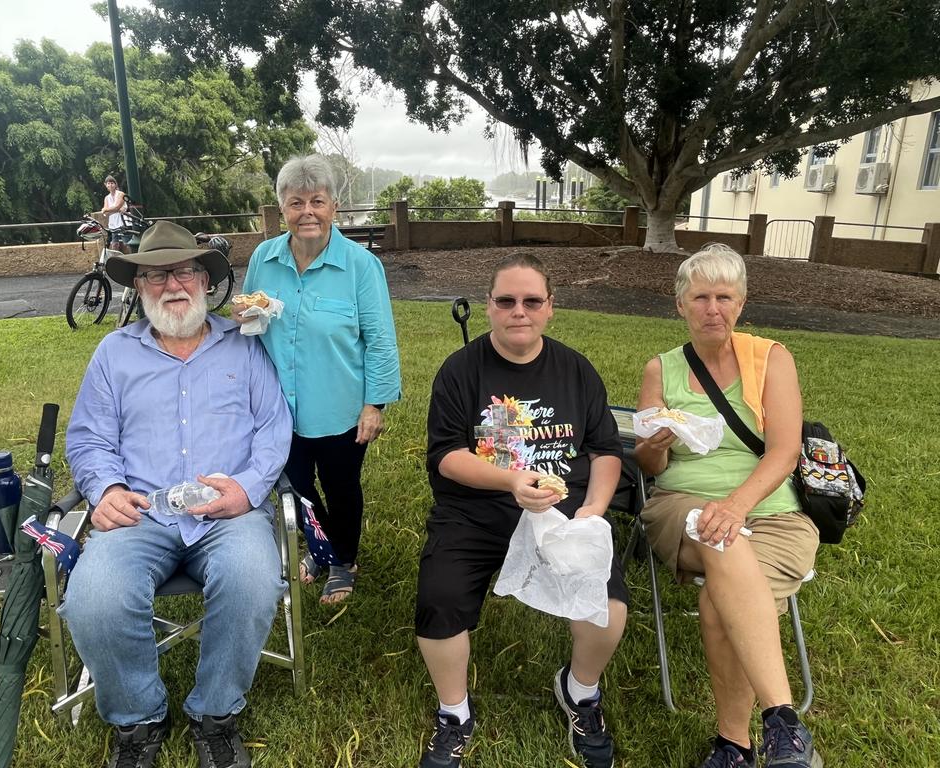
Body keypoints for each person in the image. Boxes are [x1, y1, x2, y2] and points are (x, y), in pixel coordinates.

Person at [62, 220, 293, 768]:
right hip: (142, 512)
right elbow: (89, 437)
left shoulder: (244, 346)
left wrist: (248, 489)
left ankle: (215, 716)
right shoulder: (113, 354)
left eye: (185, 271)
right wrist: (105, 488)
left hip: (229, 512)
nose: (174, 285)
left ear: (205, 281)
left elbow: (274, 426)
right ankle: (138, 720)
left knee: (252, 579)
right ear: (139, 286)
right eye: (158, 275)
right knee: (92, 596)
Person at [415, 253, 628, 768]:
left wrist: (594, 510)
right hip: (475, 510)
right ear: (488, 306)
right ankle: (454, 713)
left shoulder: (575, 369)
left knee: (609, 609)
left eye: (532, 301)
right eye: (506, 300)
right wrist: (512, 480)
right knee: (439, 600)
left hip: (566, 512)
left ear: (550, 307)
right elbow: (445, 456)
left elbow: (605, 450)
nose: (519, 311)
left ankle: (580, 692)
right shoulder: (461, 372)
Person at [633, 244, 822, 768]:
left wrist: (737, 506)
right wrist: (657, 441)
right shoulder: (662, 369)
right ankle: (785, 723)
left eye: (724, 296)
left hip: (773, 513)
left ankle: (735, 745)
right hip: (682, 506)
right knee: (717, 534)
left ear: (740, 304)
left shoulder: (772, 358)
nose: (712, 308)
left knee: (722, 595)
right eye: (700, 297)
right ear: (680, 305)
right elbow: (648, 466)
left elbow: (785, 451)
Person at [235, 154, 401, 605]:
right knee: (295, 487)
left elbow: (380, 341)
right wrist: (246, 315)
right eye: (295, 203)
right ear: (281, 209)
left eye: (317, 201)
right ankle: (318, 547)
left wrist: (375, 405)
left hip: (340, 407)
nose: (306, 212)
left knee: (341, 487)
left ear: (334, 206)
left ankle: (343, 559)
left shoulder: (361, 267)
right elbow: (250, 327)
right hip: (275, 408)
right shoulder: (263, 260)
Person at [101, 174, 129, 248]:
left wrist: (107, 209)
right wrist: (114, 210)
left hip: (123, 223)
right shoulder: (107, 198)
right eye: (108, 183)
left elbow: (116, 207)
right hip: (113, 225)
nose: (110, 185)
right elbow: (106, 213)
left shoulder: (121, 194)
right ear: (105, 185)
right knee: (114, 245)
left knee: (127, 244)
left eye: (112, 183)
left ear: (115, 184)